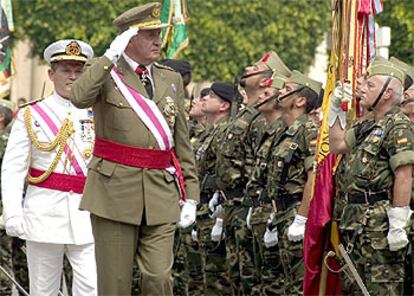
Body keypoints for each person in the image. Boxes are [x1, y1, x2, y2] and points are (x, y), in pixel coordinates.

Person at [70, 3, 199, 295]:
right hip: (113, 192)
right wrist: (108, 57)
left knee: (159, 278)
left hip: (161, 193)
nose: (158, 41)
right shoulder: (104, 72)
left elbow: (181, 143)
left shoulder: (171, 78)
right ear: (129, 38)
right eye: (150, 34)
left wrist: (191, 195)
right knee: (114, 284)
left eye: (159, 34)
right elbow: (78, 97)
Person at [1, 39, 97, 296]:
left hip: (89, 214)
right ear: (51, 74)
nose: (73, 76)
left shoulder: (97, 113)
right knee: (44, 289)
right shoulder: (32, 114)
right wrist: (12, 213)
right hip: (43, 215)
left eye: (79, 70)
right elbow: (13, 168)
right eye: (66, 70)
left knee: (92, 287)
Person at [330, 59, 414, 294]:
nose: (362, 89)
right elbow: (337, 145)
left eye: (370, 84)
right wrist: (335, 109)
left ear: (387, 93)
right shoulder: (367, 125)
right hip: (355, 223)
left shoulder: (398, 126)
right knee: (354, 288)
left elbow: (404, 175)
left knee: (379, 290)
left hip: (378, 226)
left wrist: (398, 222)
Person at [212, 50, 291, 295]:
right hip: (235, 206)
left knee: (257, 281)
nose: (247, 68)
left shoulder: (261, 117)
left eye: (255, 68)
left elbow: (260, 168)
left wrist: (252, 204)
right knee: (238, 279)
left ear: (267, 80)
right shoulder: (247, 113)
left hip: (250, 206)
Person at [265, 70, 321, 295]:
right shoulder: (285, 131)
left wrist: (302, 217)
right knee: (284, 284)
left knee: (298, 286)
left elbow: (313, 176)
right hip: (281, 213)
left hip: (295, 212)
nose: (280, 92)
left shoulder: (308, 130)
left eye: (287, 90)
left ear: (300, 100)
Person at [244, 74, 288, 295]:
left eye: (268, 93)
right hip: (261, 211)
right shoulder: (268, 131)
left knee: (275, 282)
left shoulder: (287, 131)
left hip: (278, 213)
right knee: (259, 279)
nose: (261, 96)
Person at [196, 82, 238, 295]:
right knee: (205, 276)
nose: (204, 99)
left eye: (211, 96)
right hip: (203, 209)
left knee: (217, 278)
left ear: (224, 106)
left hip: (214, 211)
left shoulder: (224, 132)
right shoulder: (210, 132)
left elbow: (222, 173)